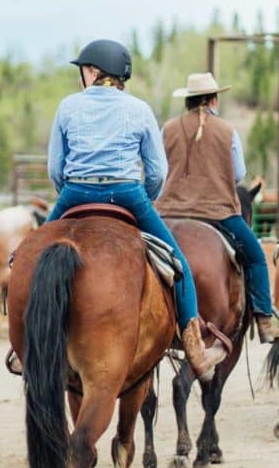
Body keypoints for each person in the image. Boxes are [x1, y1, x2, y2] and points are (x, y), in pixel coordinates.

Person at [46, 39, 226, 378]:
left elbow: (55, 168)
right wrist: (144, 196)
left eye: (83, 69)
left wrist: (71, 195)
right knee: (179, 265)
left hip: (75, 193)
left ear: (95, 72)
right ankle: (195, 350)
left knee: (27, 253)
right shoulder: (140, 109)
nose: (81, 76)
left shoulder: (67, 107)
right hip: (127, 194)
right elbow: (156, 171)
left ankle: (22, 345)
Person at [155, 72, 279, 343]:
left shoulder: (167, 128)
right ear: (213, 99)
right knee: (256, 257)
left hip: (167, 212)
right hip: (218, 213)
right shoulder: (227, 131)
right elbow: (238, 173)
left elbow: (157, 170)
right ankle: (263, 318)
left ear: (188, 101)